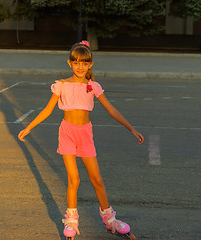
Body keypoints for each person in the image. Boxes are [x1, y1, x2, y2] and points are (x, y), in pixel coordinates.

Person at [18, 41, 144, 239]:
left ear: (90, 65)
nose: (80, 66)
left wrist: (131, 129)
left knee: (97, 179)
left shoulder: (93, 86)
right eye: (76, 62)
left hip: (85, 134)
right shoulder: (61, 85)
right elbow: (48, 109)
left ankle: (110, 220)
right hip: (67, 132)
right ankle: (71, 220)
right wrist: (29, 127)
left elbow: (111, 109)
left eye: (84, 63)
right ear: (69, 63)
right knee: (73, 179)